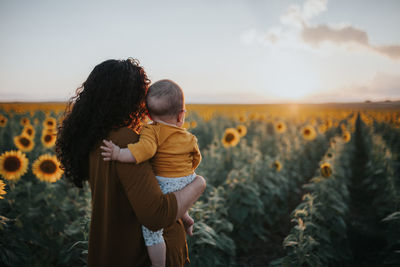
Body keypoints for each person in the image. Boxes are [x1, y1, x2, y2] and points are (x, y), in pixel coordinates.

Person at [56, 58, 206, 267]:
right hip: (138, 256)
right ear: (130, 99)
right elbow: (156, 215)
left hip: (112, 250)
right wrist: (199, 184)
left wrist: (184, 214)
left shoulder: (95, 139)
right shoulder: (125, 142)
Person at [100, 79, 201, 267]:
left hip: (164, 182)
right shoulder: (189, 137)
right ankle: (185, 217)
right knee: (180, 198)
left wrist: (119, 153)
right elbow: (196, 158)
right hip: (188, 178)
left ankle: (158, 264)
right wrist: (188, 173)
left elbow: (145, 150)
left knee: (152, 232)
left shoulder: (151, 130)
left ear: (147, 114)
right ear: (181, 116)